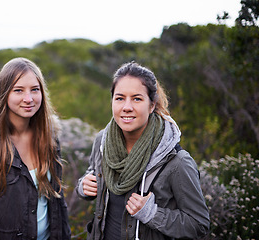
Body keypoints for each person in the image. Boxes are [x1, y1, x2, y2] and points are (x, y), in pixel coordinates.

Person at [76, 61, 210, 239]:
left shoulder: (176, 162)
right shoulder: (102, 141)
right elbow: (92, 174)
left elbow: (199, 225)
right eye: (120, 98)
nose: (127, 107)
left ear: (152, 104)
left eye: (137, 99)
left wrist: (152, 214)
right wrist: (82, 187)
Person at [0, 57, 71, 240]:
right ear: (4, 94)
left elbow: (58, 204)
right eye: (18, 90)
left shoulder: (49, 139)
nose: (28, 99)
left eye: (34, 90)